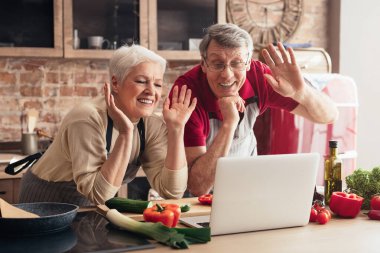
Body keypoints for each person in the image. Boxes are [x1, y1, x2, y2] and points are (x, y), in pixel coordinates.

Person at [170, 23, 339, 196]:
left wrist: (301, 93)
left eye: (237, 63)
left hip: (248, 188)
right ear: (204, 64)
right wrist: (229, 124)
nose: (227, 74)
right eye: (218, 64)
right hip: (200, 201)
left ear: (249, 63)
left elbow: (330, 115)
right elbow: (197, 186)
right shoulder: (186, 93)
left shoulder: (260, 77)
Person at [19, 45, 197, 206]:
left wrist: (176, 130)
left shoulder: (150, 124)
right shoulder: (87, 118)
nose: (152, 91)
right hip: (46, 201)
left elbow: (172, 192)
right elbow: (99, 194)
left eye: (157, 84)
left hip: (94, 205)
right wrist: (126, 134)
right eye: (141, 81)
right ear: (115, 83)